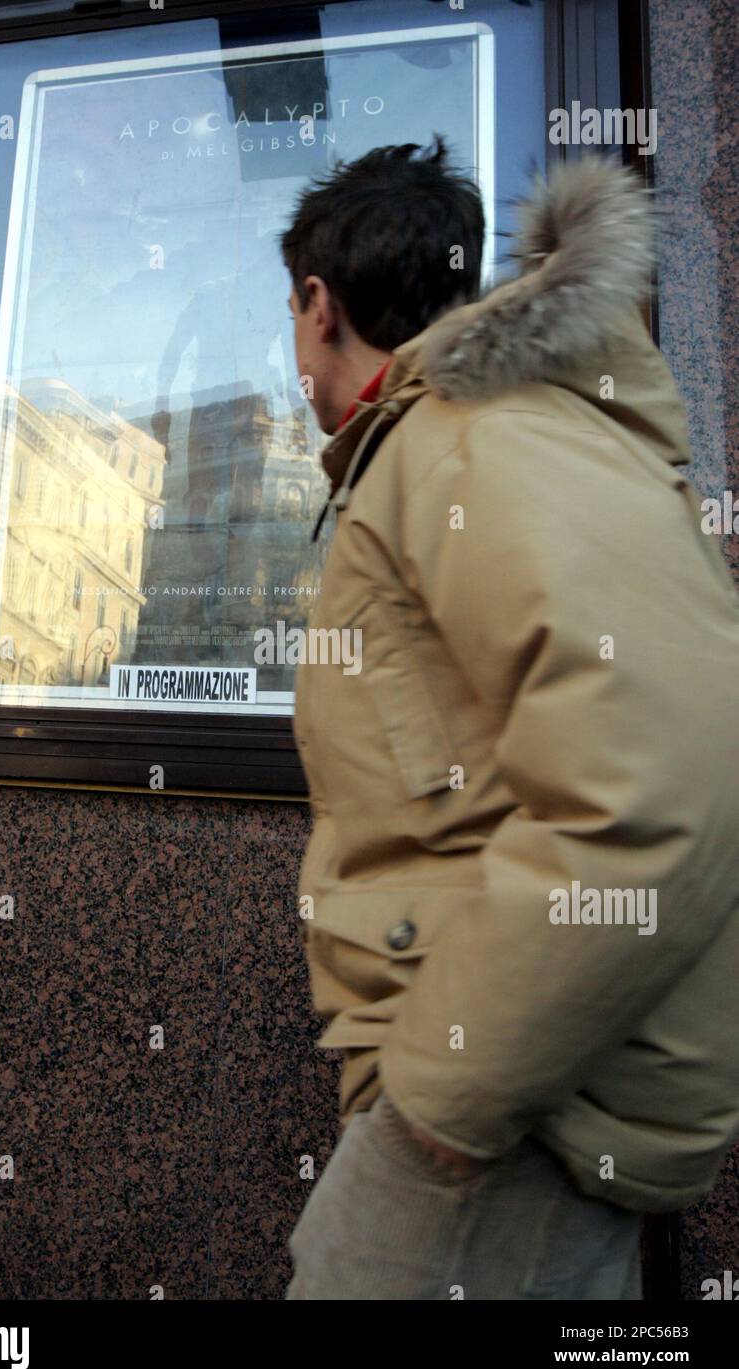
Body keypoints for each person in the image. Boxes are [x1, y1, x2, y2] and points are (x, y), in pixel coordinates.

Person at [278, 137, 739, 1300]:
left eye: (292, 318)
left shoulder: (475, 438)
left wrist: (445, 1094)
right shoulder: (456, 440)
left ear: (319, 306)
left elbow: (667, 774)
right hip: (525, 1105)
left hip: (509, 1124)